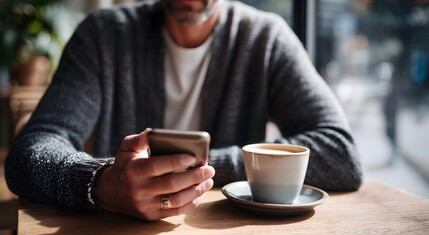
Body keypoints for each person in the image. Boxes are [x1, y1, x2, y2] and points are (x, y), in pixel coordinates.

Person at [5, 0, 362, 221]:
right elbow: (29, 154)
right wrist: (101, 182)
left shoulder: (265, 38)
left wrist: (204, 170)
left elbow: (340, 153)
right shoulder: (103, 35)